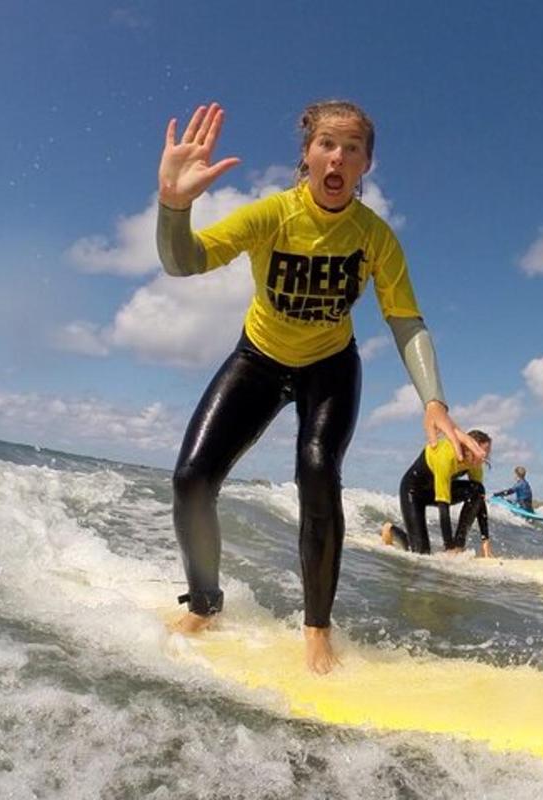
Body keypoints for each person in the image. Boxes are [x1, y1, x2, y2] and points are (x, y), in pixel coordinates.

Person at [156, 101, 483, 674]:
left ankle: (316, 629)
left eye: (352, 148)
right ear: (307, 155)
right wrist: (174, 205)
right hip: (257, 358)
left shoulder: (373, 237)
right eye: (328, 144)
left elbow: (405, 319)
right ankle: (204, 606)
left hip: (329, 367)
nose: (338, 157)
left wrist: (434, 400)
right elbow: (184, 262)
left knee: (317, 471)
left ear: (365, 165)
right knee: (191, 479)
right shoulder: (272, 215)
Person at [381, 430, 495, 558]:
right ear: (468, 448)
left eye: (486, 454)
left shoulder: (475, 463)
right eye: (481, 453)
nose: (484, 458)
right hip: (413, 492)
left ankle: (459, 545)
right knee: (421, 553)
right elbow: (443, 506)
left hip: (433, 491)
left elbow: (480, 499)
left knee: (477, 489)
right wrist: (448, 547)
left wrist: (485, 540)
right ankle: (390, 529)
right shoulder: (446, 457)